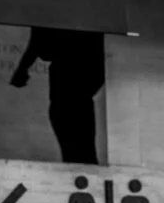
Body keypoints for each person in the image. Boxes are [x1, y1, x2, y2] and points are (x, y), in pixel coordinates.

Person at [8, 25, 104, 165]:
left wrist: (23, 68)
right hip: (74, 93)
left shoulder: (67, 66)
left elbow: (37, 41)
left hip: (71, 94)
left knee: (77, 152)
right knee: (79, 152)